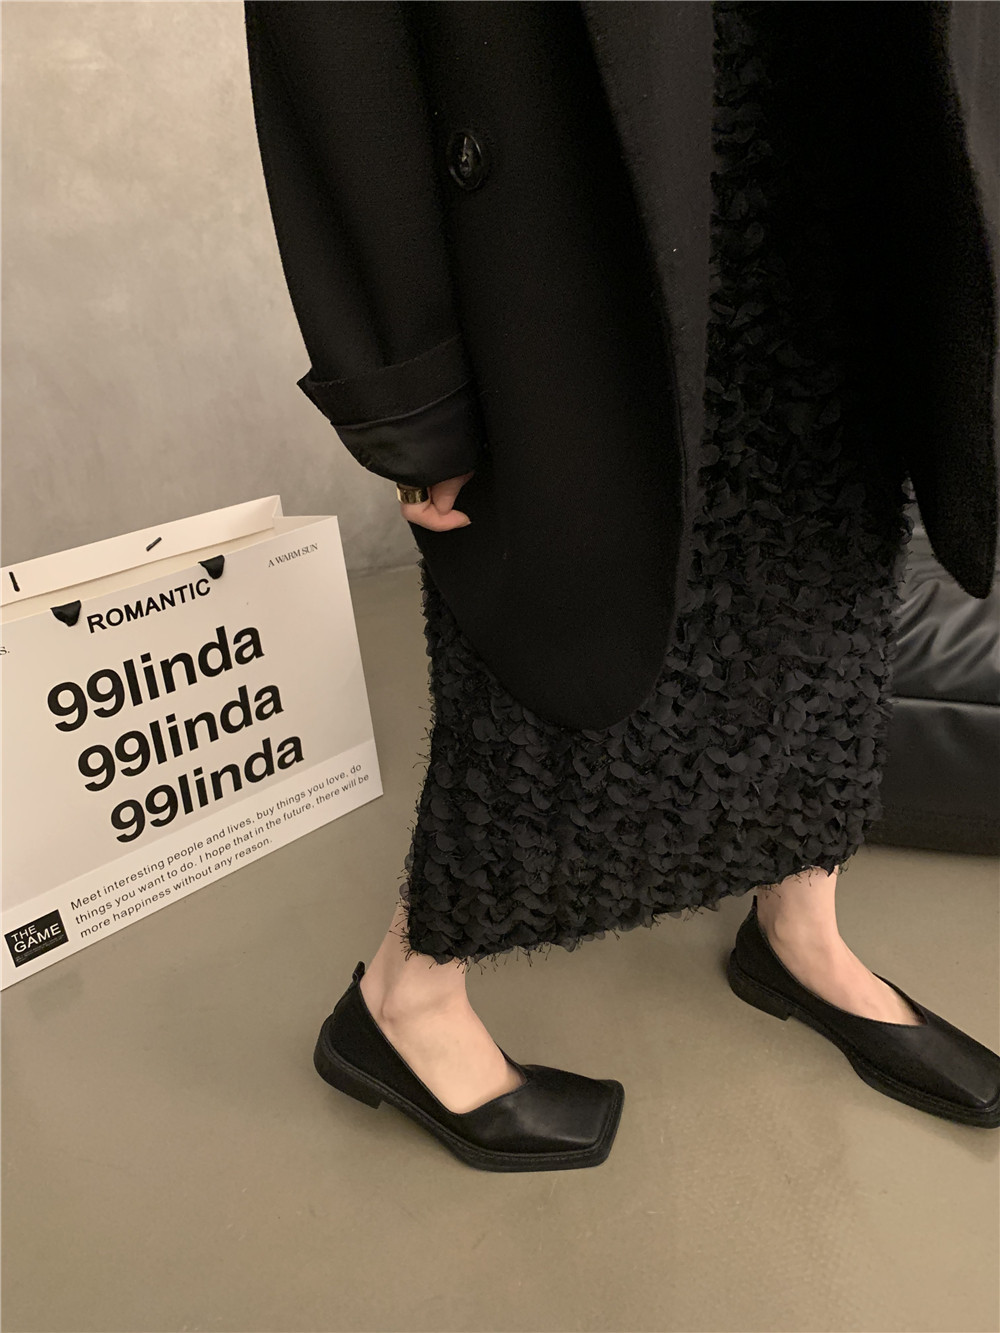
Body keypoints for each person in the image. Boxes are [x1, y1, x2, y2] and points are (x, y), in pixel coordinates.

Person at [244, 1, 1000, 1170]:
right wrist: (403, 379)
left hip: (847, 117)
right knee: (571, 616)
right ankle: (403, 997)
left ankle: (799, 928)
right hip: (569, 187)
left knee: (826, 558)